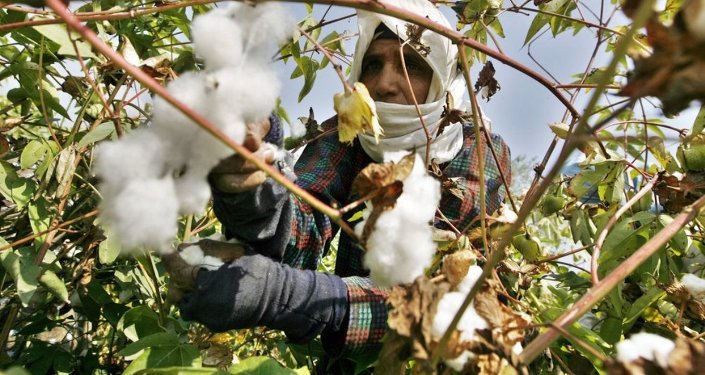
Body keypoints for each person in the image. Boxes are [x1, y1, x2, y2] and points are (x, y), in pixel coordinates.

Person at [163, 0, 511, 371]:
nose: (383, 83)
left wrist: (291, 295)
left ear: (444, 78)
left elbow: (441, 303)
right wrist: (255, 182)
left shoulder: (475, 149)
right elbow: (305, 223)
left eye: (412, 66)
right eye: (373, 64)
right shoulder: (348, 132)